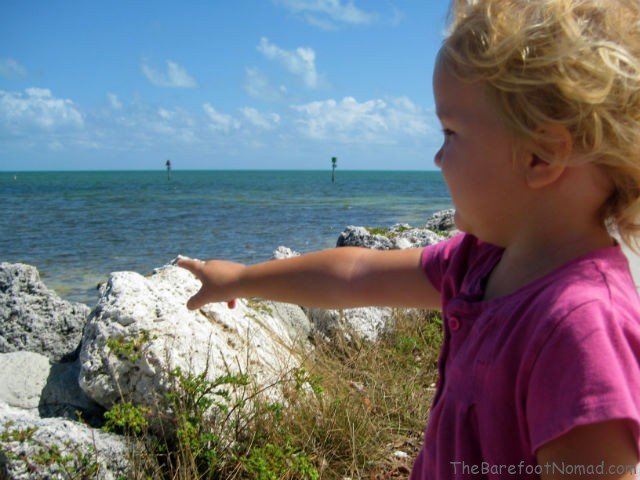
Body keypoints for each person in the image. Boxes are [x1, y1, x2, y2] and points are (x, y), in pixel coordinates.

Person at [179, 0, 640, 477]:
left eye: (451, 131)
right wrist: (239, 278)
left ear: (542, 155)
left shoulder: (582, 327)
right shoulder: (480, 264)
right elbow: (354, 276)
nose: (438, 158)